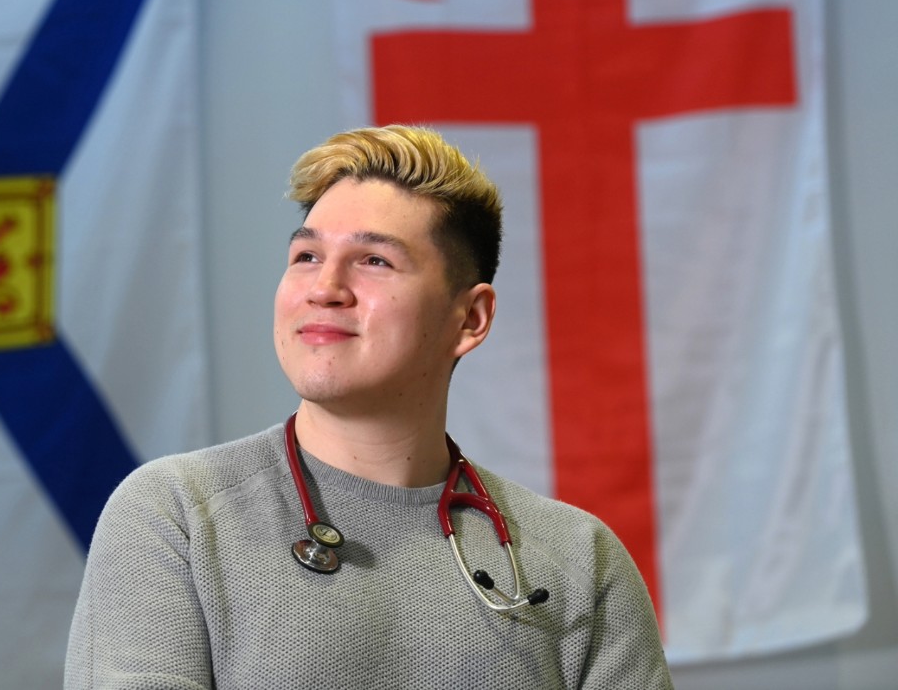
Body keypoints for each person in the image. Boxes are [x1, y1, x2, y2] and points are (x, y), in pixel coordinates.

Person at [65, 125, 673, 689]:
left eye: (374, 261)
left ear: (469, 318)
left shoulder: (578, 560)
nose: (324, 287)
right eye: (306, 256)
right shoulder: (175, 518)